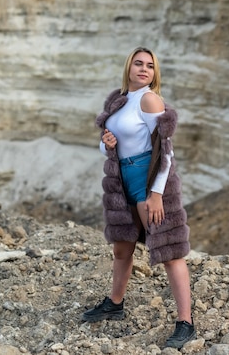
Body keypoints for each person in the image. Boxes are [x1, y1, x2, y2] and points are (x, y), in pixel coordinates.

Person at [82, 47, 196, 349]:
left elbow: (166, 152)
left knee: (170, 254)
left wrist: (156, 194)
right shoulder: (118, 101)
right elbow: (107, 148)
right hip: (123, 184)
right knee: (122, 250)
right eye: (138, 63)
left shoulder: (149, 99)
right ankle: (115, 303)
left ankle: (186, 322)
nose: (144, 69)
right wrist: (107, 144)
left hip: (149, 182)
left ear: (154, 72)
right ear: (128, 67)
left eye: (150, 65)